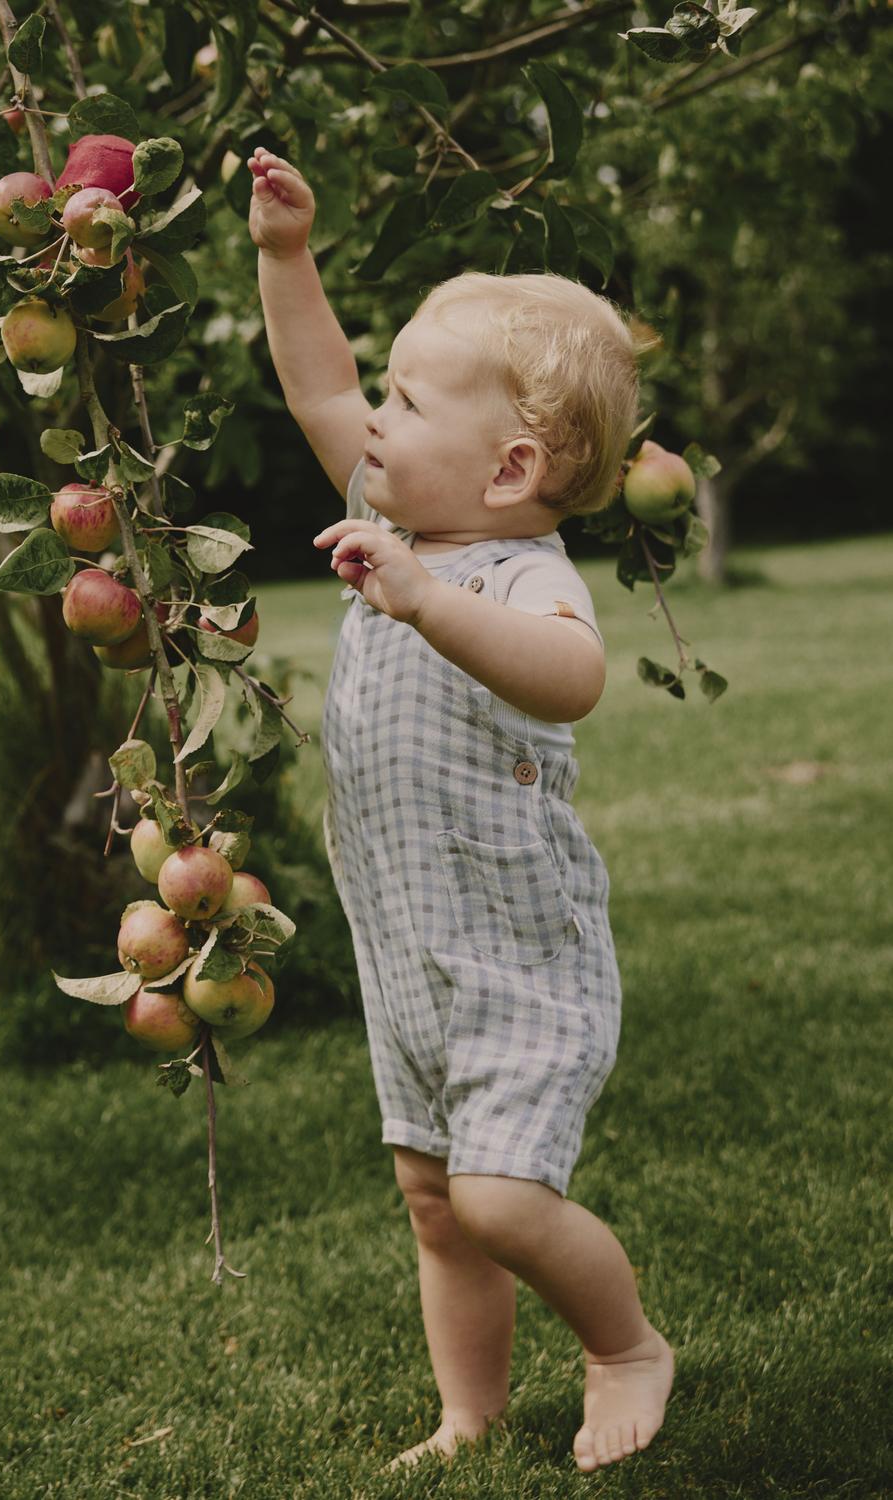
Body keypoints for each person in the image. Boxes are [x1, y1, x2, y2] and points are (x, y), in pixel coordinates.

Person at [246, 145, 675, 1476]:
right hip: (409, 951)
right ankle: (469, 1415)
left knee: (495, 1196)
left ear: (506, 470)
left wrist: (428, 606)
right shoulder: (389, 512)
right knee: (434, 1203)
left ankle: (622, 1347)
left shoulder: (509, 578)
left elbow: (575, 681)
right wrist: (283, 256)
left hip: (516, 960)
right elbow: (318, 380)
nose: (371, 416)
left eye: (408, 400)